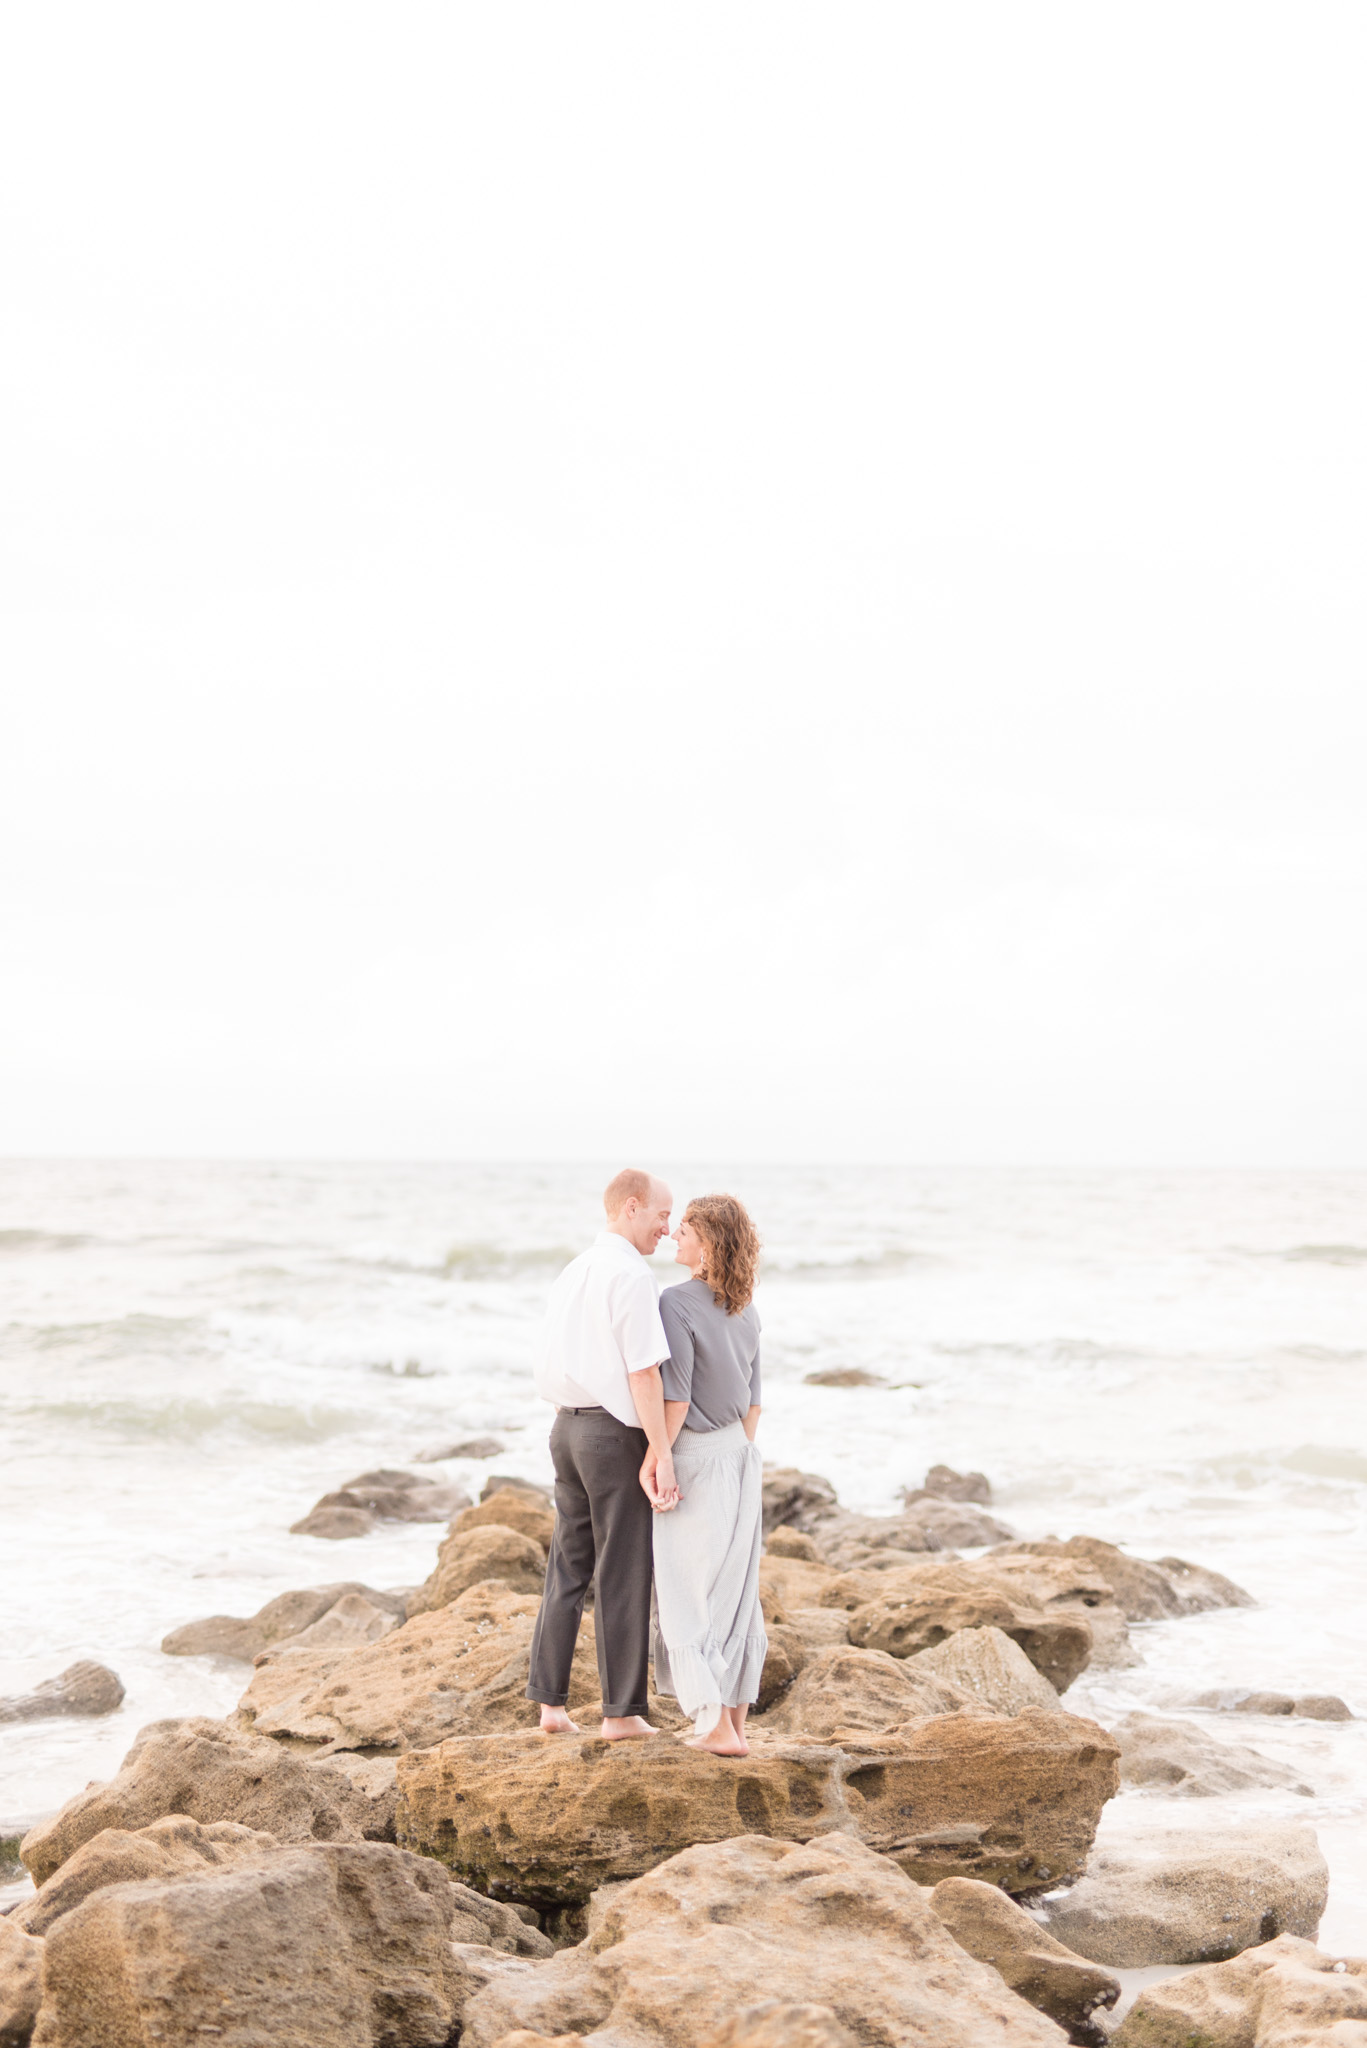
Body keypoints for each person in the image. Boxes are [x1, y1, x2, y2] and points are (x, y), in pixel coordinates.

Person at [525, 1167, 680, 1740]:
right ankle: (621, 1713)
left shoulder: (576, 1269)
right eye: (663, 1215)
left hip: (564, 1429)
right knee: (623, 1569)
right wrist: (660, 1451)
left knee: (568, 1565)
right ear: (632, 1207)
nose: (668, 1227)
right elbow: (643, 1371)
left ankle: (551, 1706)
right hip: (613, 1436)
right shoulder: (631, 1275)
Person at [650, 1192, 766, 1756]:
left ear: (710, 1243)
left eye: (687, 1231)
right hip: (741, 1457)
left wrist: (658, 1458)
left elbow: (676, 1398)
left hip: (696, 1455)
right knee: (737, 1594)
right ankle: (737, 1726)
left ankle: (714, 1726)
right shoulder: (747, 1310)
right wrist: (733, 1460)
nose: (675, 1235)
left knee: (685, 1591)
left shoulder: (676, 1303)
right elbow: (753, 1406)